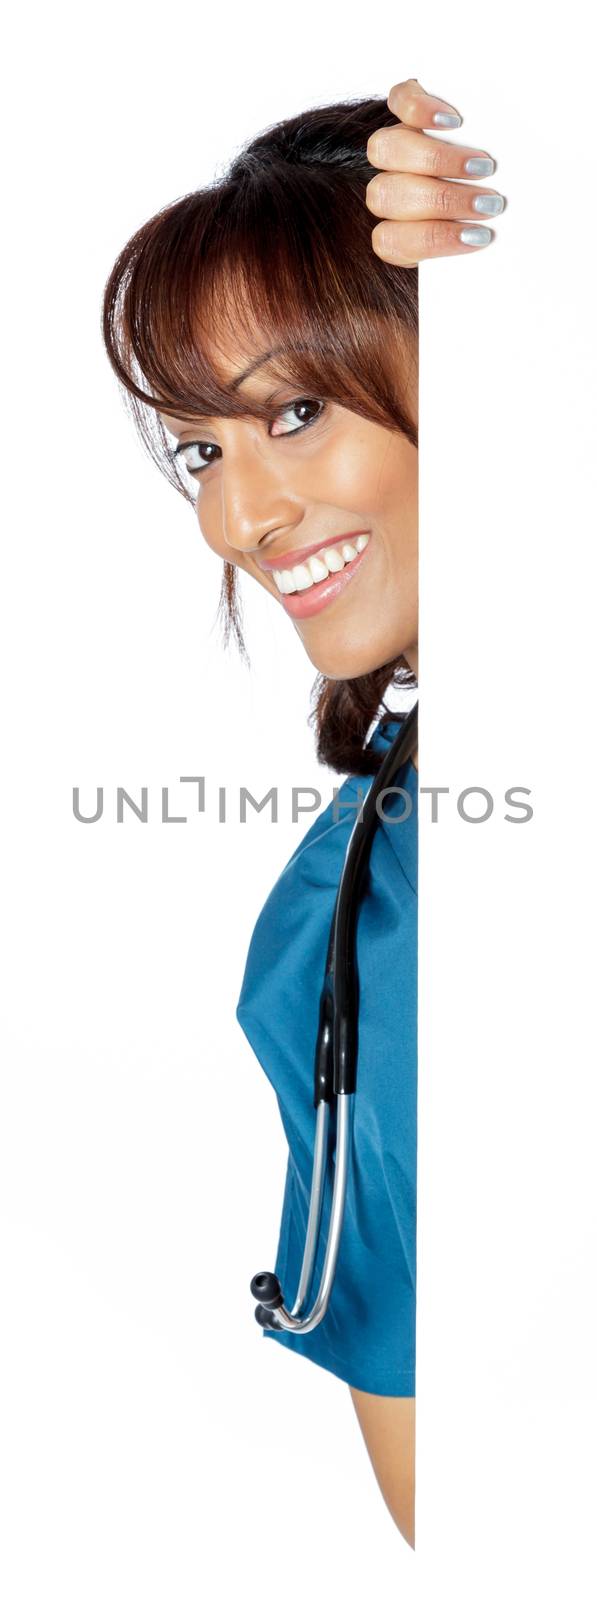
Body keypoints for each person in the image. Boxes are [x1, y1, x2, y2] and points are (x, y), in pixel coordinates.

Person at [101, 77, 504, 1547]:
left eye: (293, 408)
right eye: (204, 447)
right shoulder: (359, 864)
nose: (236, 518)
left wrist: (546, 269)